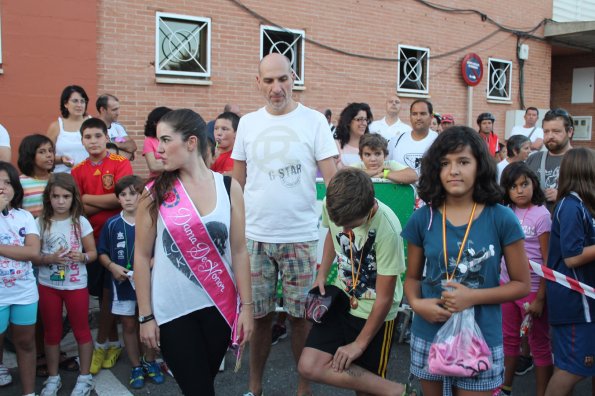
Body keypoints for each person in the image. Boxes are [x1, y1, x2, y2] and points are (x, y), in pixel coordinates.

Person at [231, 53, 338, 396]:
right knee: (258, 319)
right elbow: (238, 183)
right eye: (269, 80)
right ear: (257, 82)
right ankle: (255, 388)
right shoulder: (247, 123)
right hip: (255, 239)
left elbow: (333, 180)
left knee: (300, 320)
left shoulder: (314, 121)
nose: (276, 88)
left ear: (294, 77)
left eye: (282, 79)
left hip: (300, 238)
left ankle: (302, 390)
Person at [401, 127, 530, 396]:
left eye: (463, 161)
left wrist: (472, 297)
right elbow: (412, 278)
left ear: (480, 165)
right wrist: (416, 303)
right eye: (445, 163)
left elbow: (521, 285)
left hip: (480, 337)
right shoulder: (423, 218)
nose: (453, 170)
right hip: (429, 332)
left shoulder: (502, 218)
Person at [135, 109, 253, 395]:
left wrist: (247, 308)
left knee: (203, 383)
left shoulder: (228, 187)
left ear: (190, 143)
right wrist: (145, 316)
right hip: (173, 311)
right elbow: (140, 255)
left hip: (218, 307)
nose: (158, 149)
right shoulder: (153, 192)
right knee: (199, 389)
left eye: (165, 140)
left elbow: (238, 250)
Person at [298, 168, 415, 395]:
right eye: (340, 223)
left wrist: (359, 344)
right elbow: (333, 236)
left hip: (375, 313)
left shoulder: (387, 228)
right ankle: (398, 391)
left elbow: (384, 298)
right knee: (308, 365)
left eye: (351, 225)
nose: (345, 230)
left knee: (366, 391)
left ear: (369, 206)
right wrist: (321, 274)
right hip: (342, 299)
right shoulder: (334, 203)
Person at [71, 118, 132, 375]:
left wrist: (86, 198)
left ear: (106, 136)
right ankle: (113, 341)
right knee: (99, 292)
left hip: (119, 237)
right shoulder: (78, 169)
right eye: (88, 137)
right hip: (90, 238)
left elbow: (120, 200)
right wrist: (91, 201)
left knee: (111, 292)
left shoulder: (120, 163)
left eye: (98, 135)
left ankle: (104, 343)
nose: (93, 141)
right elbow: (77, 206)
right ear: (82, 140)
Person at [97, 175, 164, 389]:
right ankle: (136, 365)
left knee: (149, 320)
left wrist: (152, 262)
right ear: (117, 198)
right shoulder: (112, 224)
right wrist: (112, 266)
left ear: (143, 195)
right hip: (122, 284)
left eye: (133, 193)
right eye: (123, 194)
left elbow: (164, 247)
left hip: (150, 282)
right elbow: (102, 253)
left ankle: (150, 361)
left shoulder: (154, 219)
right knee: (128, 324)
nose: (128, 198)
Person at [35, 173, 98, 396]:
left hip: (75, 284)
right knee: (51, 333)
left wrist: (83, 257)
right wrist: (49, 259)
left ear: (74, 198)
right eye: (56, 196)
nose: (60, 201)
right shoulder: (40, 222)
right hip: (47, 284)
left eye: (66, 196)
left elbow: (93, 252)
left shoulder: (80, 221)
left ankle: (85, 376)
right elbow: (33, 255)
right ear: (48, 197)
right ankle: (53, 378)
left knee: (81, 330)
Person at [498, 163, 553, 396]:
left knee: (538, 343)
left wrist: (541, 298)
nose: (519, 190)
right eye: (513, 186)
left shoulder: (542, 215)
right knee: (508, 339)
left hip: (532, 290)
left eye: (524, 184)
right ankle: (505, 388)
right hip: (506, 286)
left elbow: (548, 261)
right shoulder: (506, 211)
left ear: (534, 184)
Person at [544, 147, 595, 396]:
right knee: (573, 368)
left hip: (585, 299)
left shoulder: (582, 204)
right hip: (576, 301)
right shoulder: (571, 206)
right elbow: (573, 256)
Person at [0, 161, 41, 396]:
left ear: (16, 187)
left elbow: (32, 253)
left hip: (24, 291)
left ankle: (29, 393)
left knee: (25, 342)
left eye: (7, 182)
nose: (2, 188)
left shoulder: (25, 216)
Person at [526, 108, 573, 213]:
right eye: (546, 131)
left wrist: (564, 198)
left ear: (569, 132)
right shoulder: (532, 159)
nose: (550, 136)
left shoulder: (583, 161)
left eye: (556, 131)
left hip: (568, 225)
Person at [46, 85, 90, 173]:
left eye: (82, 101)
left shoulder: (93, 124)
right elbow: (46, 155)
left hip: (89, 177)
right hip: (62, 179)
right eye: (75, 101)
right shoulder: (56, 126)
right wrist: (61, 159)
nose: (79, 105)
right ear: (65, 103)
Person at [387, 99, 438, 175]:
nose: (418, 118)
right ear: (410, 117)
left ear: (431, 117)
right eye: (414, 114)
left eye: (422, 114)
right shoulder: (396, 141)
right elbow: (385, 167)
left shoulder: (440, 141)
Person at [350, 133, 417, 184]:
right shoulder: (358, 166)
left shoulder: (390, 164)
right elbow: (342, 175)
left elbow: (413, 176)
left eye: (377, 154)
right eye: (367, 154)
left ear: (385, 155)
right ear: (361, 157)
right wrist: (376, 171)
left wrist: (384, 174)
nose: (373, 159)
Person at [18, 134, 55, 217]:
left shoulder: (58, 179)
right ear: (30, 156)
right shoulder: (21, 182)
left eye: (50, 150)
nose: (49, 155)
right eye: (42, 152)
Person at [96, 94, 137, 160]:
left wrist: (114, 145)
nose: (118, 113)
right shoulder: (94, 128)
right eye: (114, 110)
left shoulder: (118, 127)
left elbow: (133, 146)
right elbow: (103, 155)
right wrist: (126, 150)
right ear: (102, 110)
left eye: (118, 109)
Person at [334, 103, 373, 168]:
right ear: (348, 121)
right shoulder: (336, 145)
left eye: (366, 119)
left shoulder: (371, 144)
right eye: (360, 119)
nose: (364, 123)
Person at [142, 107, 172, 177]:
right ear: (155, 123)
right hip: (157, 181)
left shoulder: (174, 138)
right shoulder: (149, 141)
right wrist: (176, 163)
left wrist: (160, 161)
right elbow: (153, 166)